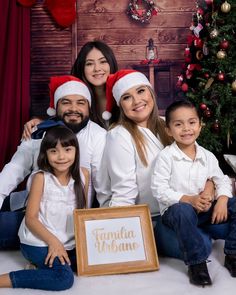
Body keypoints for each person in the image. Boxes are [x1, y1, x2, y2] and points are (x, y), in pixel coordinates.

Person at [96, 69, 215, 259]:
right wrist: (121, 234)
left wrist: (209, 188)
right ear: (120, 105)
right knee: (202, 246)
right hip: (154, 219)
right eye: (127, 97)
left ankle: (197, 229)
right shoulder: (119, 136)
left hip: (187, 208)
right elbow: (123, 192)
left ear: (151, 92)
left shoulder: (166, 124)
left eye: (141, 91)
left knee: (224, 221)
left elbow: (202, 161)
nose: (137, 101)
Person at [0, 75, 106, 249]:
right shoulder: (39, 132)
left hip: (61, 221)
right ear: (56, 107)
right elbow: (14, 169)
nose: (73, 108)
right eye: (65, 102)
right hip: (28, 206)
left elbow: (103, 187)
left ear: (89, 107)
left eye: (81, 102)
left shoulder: (99, 136)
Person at [151, 100, 236, 286]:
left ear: (200, 125)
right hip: (176, 212)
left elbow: (220, 179)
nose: (186, 129)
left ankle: (232, 253)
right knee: (183, 211)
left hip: (204, 211)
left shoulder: (207, 155)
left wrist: (221, 200)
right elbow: (159, 189)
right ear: (168, 130)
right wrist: (189, 199)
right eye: (178, 124)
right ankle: (197, 264)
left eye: (191, 122)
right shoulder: (166, 157)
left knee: (233, 203)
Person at [0, 125, 89, 291]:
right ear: (45, 154)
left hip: (68, 241)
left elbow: (82, 214)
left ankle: (40, 267)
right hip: (39, 240)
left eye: (67, 149)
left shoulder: (84, 175)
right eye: (53, 151)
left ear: (76, 151)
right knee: (64, 278)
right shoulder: (41, 178)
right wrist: (53, 241)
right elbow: (31, 218)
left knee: (91, 263)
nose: (61, 156)